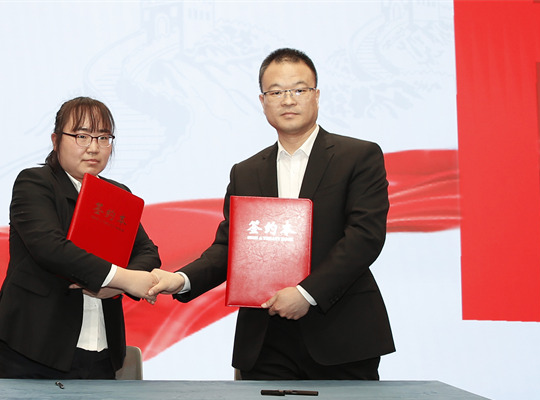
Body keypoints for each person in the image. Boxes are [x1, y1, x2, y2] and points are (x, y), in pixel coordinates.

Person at [149, 48, 394, 380]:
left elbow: (364, 238)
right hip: (266, 339)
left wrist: (306, 294)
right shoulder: (246, 172)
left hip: (341, 333)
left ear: (316, 95)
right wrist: (181, 279)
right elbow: (229, 248)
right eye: (276, 92)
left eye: (298, 89)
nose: (288, 100)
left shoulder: (358, 156)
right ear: (263, 101)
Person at [0, 97, 161, 379]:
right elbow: (50, 248)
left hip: (102, 351)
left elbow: (147, 252)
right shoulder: (35, 183)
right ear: (56, 140)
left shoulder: (117, 194)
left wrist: (114, 286)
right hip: (34, 348)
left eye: (103, 137)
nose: (94, 147)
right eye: (82, 136)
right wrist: (124, 279)